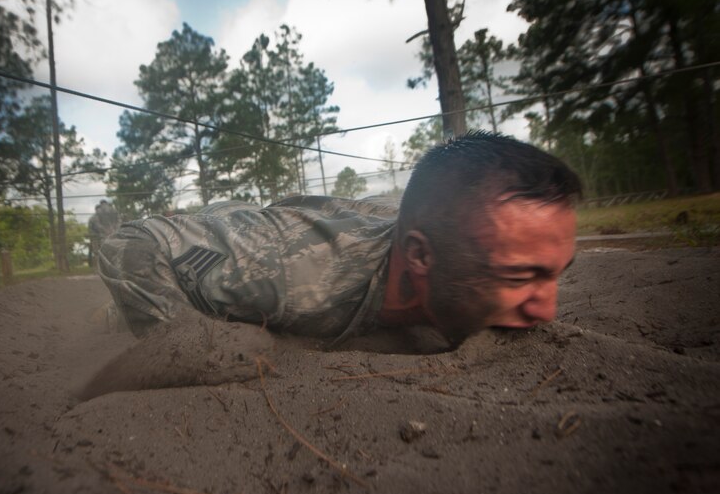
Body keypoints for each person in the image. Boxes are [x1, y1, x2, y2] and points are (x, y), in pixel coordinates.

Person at [79, 132, 580, 399]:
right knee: (197, 308)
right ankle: (113, 314)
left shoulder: (435, 236)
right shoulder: (297, 273)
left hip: (322, 220)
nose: (548, 308)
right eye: (519, 277)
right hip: (240, 242)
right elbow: (129, 244)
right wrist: (184, 340)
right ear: (422, 256)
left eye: (555, 272)